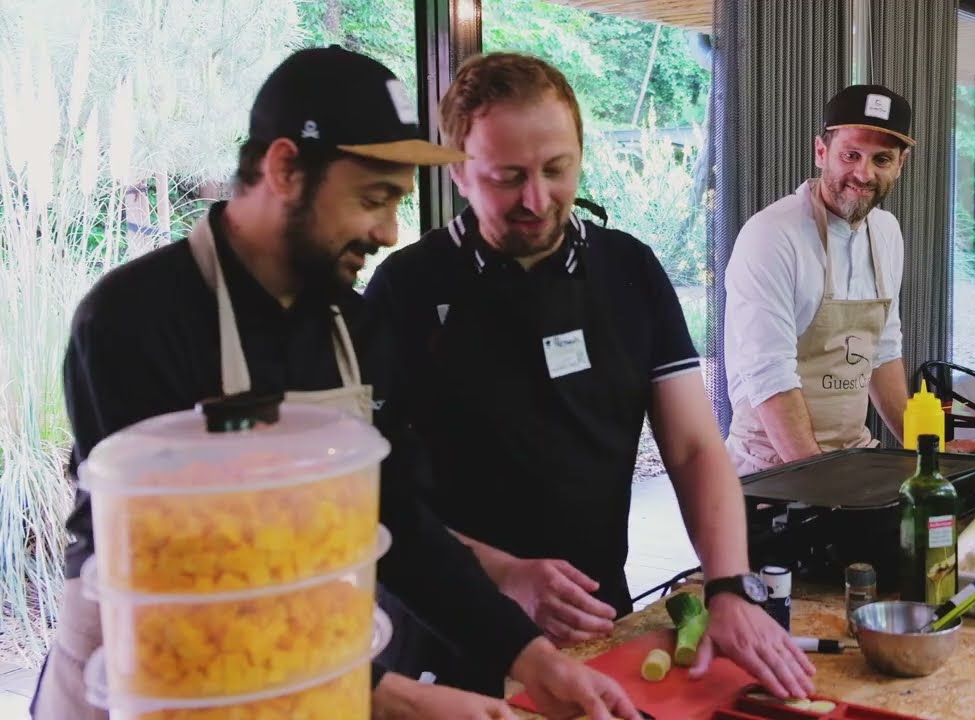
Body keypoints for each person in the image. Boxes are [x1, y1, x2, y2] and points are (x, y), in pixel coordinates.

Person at [31, 46, 639, 720]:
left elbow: (396, 521)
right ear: (285, 168)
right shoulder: (134, 320)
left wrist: (530, 658)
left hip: (306, 663)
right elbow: (179, 577)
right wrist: (393, 697)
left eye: (397, 203)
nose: (388, 232)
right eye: (373, 199)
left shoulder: (353, 327)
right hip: (145, 676)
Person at [363, 52, 815, 701]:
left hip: (597, 629)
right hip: (446, 645)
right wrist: (502, 574)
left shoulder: (628, 270)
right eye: (508, 177)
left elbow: (692, 448)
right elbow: (371, 501)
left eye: (557, 169)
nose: (536, 199)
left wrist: (727, 586)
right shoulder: (404, 289)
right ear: (458, 170)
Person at [722, 84, 913, 475]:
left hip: (852, 458)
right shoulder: (772, 235)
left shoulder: (886, 232)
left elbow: (883, 353)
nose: (864, 173)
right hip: (770, 469)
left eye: (881, 159)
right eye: (850, 155)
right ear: (821, 152)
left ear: (900, 164)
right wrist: (821, 485)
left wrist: (934, 459)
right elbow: (769, 375)